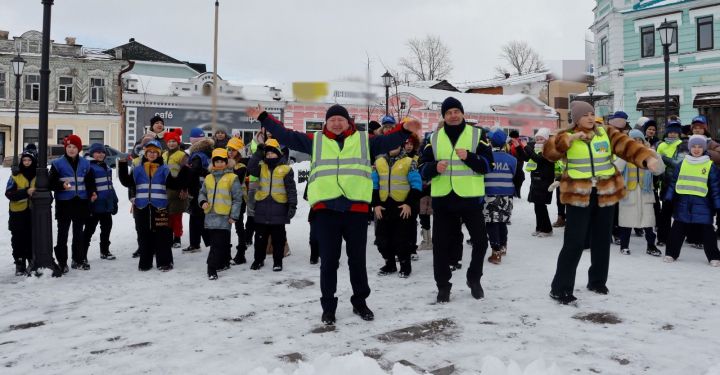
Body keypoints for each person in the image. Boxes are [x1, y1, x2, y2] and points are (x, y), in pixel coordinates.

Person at [246, 103, 419, 325]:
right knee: (328, 262)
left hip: (355, 211)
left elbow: (388, 140)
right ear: (326, 123)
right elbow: (285, 135)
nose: (337, 123)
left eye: (341, 119)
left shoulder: (363, 141)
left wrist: (405, 129)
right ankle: (328, 307)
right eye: (332, 119)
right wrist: (263, 117)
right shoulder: (316, 141)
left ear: (348, 122)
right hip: (326, 211)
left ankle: (360, 302)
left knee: (357, 261)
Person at [543, 101, 661, 304]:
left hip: (605, 193)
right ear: (576, 118)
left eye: (592, 114)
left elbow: (629, 147)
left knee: (601, 240)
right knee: (575, 242)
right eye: (585, 115)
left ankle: (597, 281)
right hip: (579, 195)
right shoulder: (564, 135)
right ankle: (560, 288)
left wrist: (647, 159)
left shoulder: (606, 132)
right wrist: (570, 139)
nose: (590, 118)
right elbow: (549, 152)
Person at [419, 97, 494, 303]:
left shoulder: (478, 135)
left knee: (480, 242)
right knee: (441, 245)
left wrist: (470, 157)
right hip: (443, 200)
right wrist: (434, 168)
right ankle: (443, 286)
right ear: (443, 116)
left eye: (456, 111)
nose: (453, 115)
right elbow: (421, 168)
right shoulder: (432, 138)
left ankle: (474, 278)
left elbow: (488, 166)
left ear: (462, 113)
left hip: (470, 198)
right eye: (448, 112)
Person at [118, 140, 187, 271]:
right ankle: (145, 262)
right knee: (144, 234)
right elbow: (127, 182)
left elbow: (175, 184)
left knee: (163, 235)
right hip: (141, 206)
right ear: (145, 152)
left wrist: (185, 170)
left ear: (159, 154)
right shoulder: (137, 169)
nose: (152, 154)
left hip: (160, 206)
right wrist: (122, 165)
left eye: (155, 152)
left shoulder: (165, 169)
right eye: (149, 151)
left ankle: (165, 262)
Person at [663, 135, 720, 267]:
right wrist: (668, 199)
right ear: (689, 148)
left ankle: (714, 256)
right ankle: (671, 253)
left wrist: (718, 206)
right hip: (683, 203)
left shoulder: (710, 166)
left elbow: (716, 188)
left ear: (704, 149)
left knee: (707, 231)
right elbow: (673, 183)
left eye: (700, 147)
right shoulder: (682, 164)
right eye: (693, 146)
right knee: (677, 229)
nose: (696, 149)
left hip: (703, 205)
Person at [372, 136, 423, 278]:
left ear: (400, 146)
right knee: (382, 240)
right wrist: (375, 204)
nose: (393, 148)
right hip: (383, 207)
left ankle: (405, 265)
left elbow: (417, 185)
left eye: (396, 145)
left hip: (402, 207)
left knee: (402, 240)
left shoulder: (409, 162)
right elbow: (374, 185)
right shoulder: (379, 162)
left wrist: (409, 203)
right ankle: (390, 264)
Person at [247, 138, 297, 271]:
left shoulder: (286, 169)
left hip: (279, 208)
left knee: (278, 239)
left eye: (272, 153)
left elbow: (291, 189)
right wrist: (258, 152)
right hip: (262, 207)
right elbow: (250, 168)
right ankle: (258, 260)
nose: (270, 156)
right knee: (260, 238)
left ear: (278, 153)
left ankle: (278, 261)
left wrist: (292, 205)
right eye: (267, 154)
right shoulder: (261, 167)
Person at [49, 135, 96, 273]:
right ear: (65, 148)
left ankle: (78, 260)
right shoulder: (57, 163)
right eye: (69, 147)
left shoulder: (86, 164)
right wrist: (61, 185)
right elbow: (51, 182)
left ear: (79, 149)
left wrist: (92, 192)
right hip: (64, 203)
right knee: (62, 234)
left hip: (80, 203)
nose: (71, 149)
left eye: (74, 147)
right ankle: (62, 262)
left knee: (78, 234)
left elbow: (89, 181)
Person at [613, 130, 665, 256]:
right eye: (633, 140)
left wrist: (655, 156)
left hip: (645, 192)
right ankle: (624, 246)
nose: (637, 142)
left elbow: (659, 170)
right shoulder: (623, 155)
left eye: (639, 140)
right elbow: (616, 170)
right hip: (628, 193)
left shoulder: (649, 154)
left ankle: (651, 246)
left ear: (643, 141)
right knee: (626, 222)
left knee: (648, 222)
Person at [199, 148, 243, 279]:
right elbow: (202, 193)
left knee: (218, 243)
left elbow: (237, 198)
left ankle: (211, 268)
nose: (219, 164)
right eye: (216, 161)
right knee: (218, 243)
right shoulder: (208, 178)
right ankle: (222, 263)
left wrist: (234, 215)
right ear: (212, 163)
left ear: (227, 162)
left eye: (222, 161)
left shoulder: (232, 178)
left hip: (224, 216)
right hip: (210, 215)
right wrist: (202, 202)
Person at [82, 143, 120, 261]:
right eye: (98, 152)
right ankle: (82, 255)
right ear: (92, 153)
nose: (100, 154)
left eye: (102, 152)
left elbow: (109, 185)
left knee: (107, 228)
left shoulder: (105, 166)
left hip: (106, 204)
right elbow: (87, 185)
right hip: (95, 204)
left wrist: (114, 200)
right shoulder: (89, 166)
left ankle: (104, 251)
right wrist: (89, 200)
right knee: (89, 230)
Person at [484, 130, 516, 264]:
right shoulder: (512, 159)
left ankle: (495, 252)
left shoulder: (486, 158)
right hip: (507, 195)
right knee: (502, 221)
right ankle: (503, 246)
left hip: (490, 194)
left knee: (492, 222)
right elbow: (515, 175)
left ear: (490, 142)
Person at [656, 120, 688, 247]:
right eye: (670, 132)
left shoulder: (683, 145)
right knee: (665, 213)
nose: (673, 135)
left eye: (675, 132)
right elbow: (656, 164)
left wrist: (662, 158)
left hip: (679, 184)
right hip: (665, 183)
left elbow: (678, 164)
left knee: (678, 213)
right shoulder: (661, 145)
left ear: (679, 133)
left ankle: (676, 238)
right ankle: (662, 237)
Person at [5, 150, 37, 275]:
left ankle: (30, 259)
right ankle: (19, 262)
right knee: (18, 238)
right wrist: (26, 192)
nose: (27, 162)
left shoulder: (38, 174)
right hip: (17, 212)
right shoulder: (15, 175)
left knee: (30, 237)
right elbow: (9, 193)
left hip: (33, 212)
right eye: (24, 160)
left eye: (29, 160)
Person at [184, 128, 214, 253]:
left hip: (197, 188)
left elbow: (194, 171)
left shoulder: (196, 155)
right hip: (205, 187)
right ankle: (196, 243)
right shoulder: (208, 152)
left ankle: (204, 243)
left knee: (197, 217)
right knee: (199, 216)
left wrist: (187, 170)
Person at [524, 128, 555, 237]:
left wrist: (528, 149)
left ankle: (547, 229)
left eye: (541, 139)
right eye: (537, 139)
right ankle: (539, 227)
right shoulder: (536, 149)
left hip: (545, 181)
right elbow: (527, 158)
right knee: (537, 206)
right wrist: (520, 147)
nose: (538, 141)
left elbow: (538, 159)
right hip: (536, 180)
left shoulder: (549, 149)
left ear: (546, 140)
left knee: (541, 205)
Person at [162, 129, 188, 249]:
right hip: (164, 188)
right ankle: (167, 236)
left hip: (177, 189)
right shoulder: (163, 154)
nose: (171, 143)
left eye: (174, 141)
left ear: (178, 142)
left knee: (176, 215)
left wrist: (184, 188)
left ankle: (177, 237)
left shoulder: (182, 155)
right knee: (166, 215)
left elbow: (186, 173)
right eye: (169, 141)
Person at [226, 137, 249, 264]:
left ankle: (241, 253)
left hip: (239, 200)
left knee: (239, 226)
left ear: (239, 151)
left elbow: (236, 180)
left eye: (233, 150)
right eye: (229, 149)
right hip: (225, 200)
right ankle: (227, 253)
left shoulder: (242, 166)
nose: (230, 152)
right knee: (226, 227)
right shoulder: (224, 163)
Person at [508, 130, 526, 198]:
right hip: (519, 163)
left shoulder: (516, 143)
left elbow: (516, 154)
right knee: (517, 177)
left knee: (517, 177)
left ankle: (516, 193)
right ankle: (516, 193)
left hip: (517, 163)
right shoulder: (517, 142)